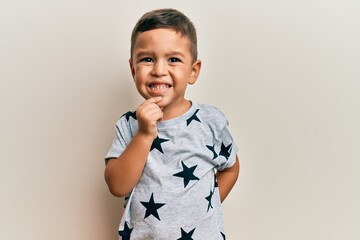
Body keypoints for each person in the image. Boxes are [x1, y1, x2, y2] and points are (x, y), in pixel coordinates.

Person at [104, 8, 240, 240]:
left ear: (193, 71)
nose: (159, 70)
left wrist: (207, 205)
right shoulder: (129, 124)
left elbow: (231, 167)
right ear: (133, 69)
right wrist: (144, 134)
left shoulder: (210, 121)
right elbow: (117, 186)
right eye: (147, 59)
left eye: (173, 60)